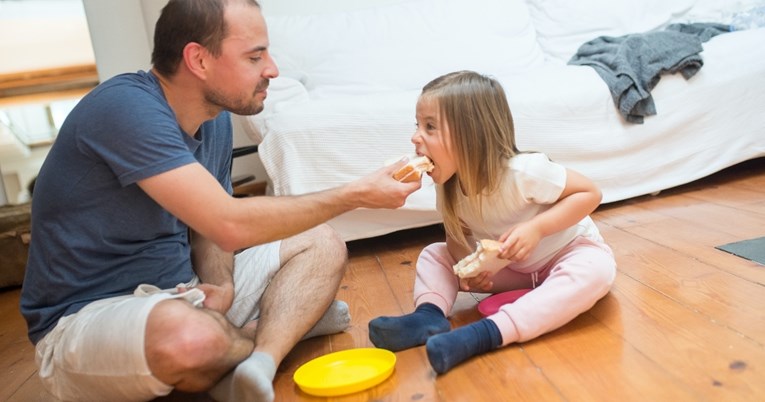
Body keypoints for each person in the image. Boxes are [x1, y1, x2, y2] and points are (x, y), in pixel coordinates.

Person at [19, 1, 420, 401]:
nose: (272, 69)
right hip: (84, 322)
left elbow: (208, 230)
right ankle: (277, 330)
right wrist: (356, 193)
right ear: (198, 60)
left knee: (321, 242)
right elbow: (229, 223)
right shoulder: (124, 107)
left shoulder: (213, 120)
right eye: (254, 56)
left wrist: (221, 284)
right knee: (189, 337)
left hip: (184, 292)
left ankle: (260, 360)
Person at [367, 70, 617, 374]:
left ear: (471, 134)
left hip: (567, 252)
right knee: (435, 255)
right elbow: (457, 242)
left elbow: (590, 192)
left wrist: (537, 228)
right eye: (417, 125)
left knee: (596, 271)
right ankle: (428, 317)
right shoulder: (451, 188)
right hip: (514, 269)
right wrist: (473, 271)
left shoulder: (523, 172)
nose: (415, 137)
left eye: (430, 127)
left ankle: (485, 334)